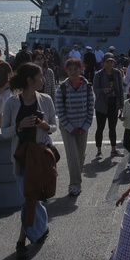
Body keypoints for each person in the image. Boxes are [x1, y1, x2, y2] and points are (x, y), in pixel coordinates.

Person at [0, 62, 57, 260]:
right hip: (21, 157)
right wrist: (19, 126)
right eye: (40, 76)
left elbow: (54, 126)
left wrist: (44, 126)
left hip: (40, 156)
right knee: (28, 198)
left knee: (32, 198)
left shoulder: (46, 100)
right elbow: (4, 132)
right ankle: (32, 234)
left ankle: (26, 237)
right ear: (30, 80)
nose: (43, 79)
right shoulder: (12, 103)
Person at [54, 57, 94, 196]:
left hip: (83, 126)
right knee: (72, 156)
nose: (73, 72)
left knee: (80, 155)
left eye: (76, 69)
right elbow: (59, 110)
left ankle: (76, 179)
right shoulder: (62, 89)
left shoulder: (87, 87)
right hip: (67, 128)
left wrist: (86, 125)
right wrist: (70, 127)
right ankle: (75, 183)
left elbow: (90, 107)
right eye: (70, 69)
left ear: (81, 69)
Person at [93, 53, 125, 159]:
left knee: (112, 128)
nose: (109, 63)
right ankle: (98, 150)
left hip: (113, 103)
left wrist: (121, 104)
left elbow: (120, 88)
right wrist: (103, 90)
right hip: (101, 105)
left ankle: (113, 149)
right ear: (103, 63)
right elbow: (95, 89)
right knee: (100, 128)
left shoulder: (117, 73)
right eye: (107, 61)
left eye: (111, 61)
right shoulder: (99, 74)